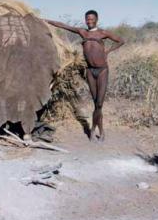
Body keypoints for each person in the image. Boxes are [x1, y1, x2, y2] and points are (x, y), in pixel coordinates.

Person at [44, 10, 124, 142]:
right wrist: (45, 20)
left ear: (97, 19)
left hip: (102, 70)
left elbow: (121, 40)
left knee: (99, 104)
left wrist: (108, 51)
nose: (89, 21)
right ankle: (101, 131)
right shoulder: (83, 32)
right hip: (90, 71)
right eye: (87, 19)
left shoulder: (103, 33)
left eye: (92, 19)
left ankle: (94, 130)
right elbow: (63, 25)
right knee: (96, 103)